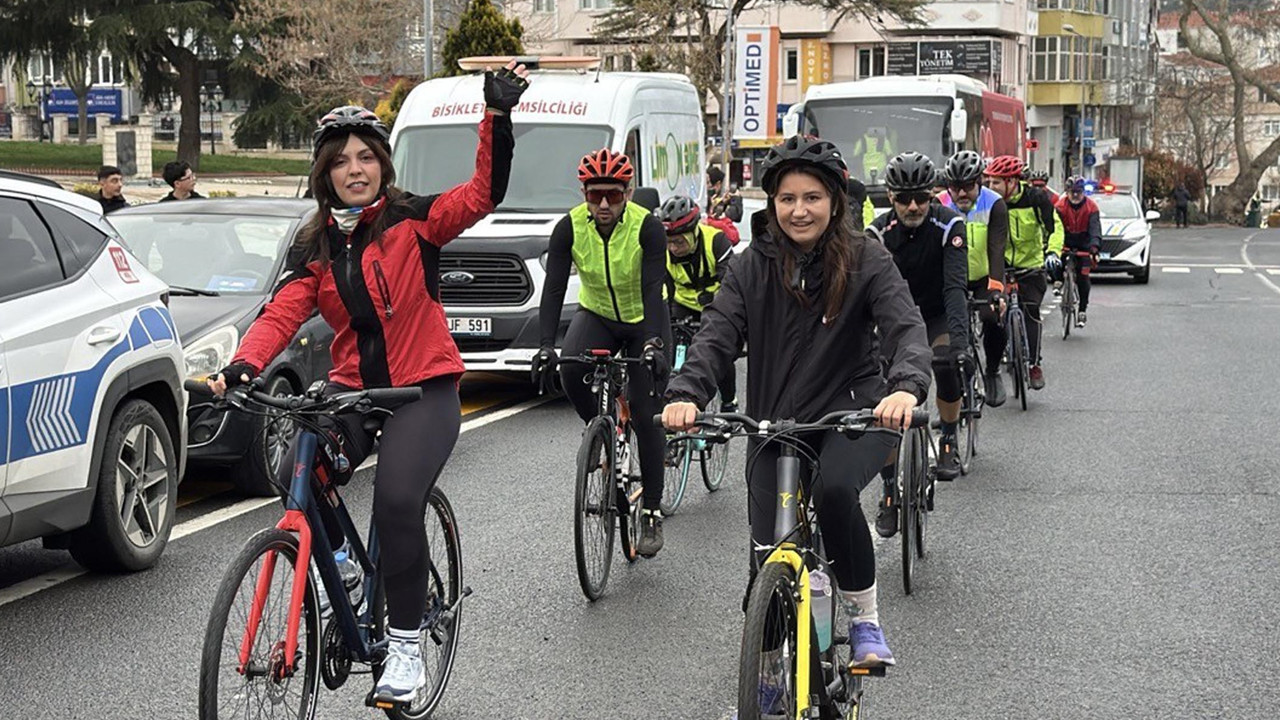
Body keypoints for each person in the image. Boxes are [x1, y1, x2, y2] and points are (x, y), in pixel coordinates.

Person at [205, 61, 530, 705]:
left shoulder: (415, 220)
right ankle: (348, 572)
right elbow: (281, 313)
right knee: (303, 471)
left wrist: (496, 116)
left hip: (424, 391)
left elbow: (482, 193)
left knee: (396, 499)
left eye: (365, 157)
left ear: (382, 162)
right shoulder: (315, 245)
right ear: (324, 175)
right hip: (353, 392)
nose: (355, 170)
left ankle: (406, 645)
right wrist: (243, 364)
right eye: (340, 162)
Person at [661, 135, 932, 669]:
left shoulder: (866, 259)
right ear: (771, 203)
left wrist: (905, 386)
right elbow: (716, 335)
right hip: (773, 421)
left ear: (834, 201)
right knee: (766, 564)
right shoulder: (748, 266)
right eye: (787, 199)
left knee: (834, 492)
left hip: (853, 412)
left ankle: (863, 617)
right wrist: (686, 393)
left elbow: (905, 326)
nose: (799, 210)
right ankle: (767, 677)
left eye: (811, 197)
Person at [532, 148, 672, 557]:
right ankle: (600, 426)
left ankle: (651, 512)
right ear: (584, 193)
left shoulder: (647, 228)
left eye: (613, 194)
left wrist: (651, 344)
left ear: (628, 192)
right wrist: (544, 346)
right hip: (598, 313)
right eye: (595, 196)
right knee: (571, 370)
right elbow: (555, 289)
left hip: (644, 316)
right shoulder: (569, 227)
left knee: (648, 416)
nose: (605, 204)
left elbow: (651, 288)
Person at [866, 152, 968, 541]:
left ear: (933, 196)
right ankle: (890, 491)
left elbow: (955, 289)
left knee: (945, 363)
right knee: (883, 399)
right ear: (890, 196)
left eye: (922, 198)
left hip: (937, 312)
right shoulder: (877, 233)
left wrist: (959, 344)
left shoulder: (949, 225)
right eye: (904, 198)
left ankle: (949, 438)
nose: (913, 206)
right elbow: (867, 298)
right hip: (895, 322)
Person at [984, 155, 1062, 391]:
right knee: (995, 316)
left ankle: (1034, 364)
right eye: (989, 182)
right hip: (1001, 266)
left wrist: (1053, 252)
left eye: (996, 183)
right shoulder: (990, 202)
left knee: (1031, 312)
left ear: (1012, 182)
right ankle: (997, 359)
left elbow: (1055, 227)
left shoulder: (1036, 199)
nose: (991, 187)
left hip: (1031, 266)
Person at [939, 150, 1010, 407]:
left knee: (992, 318)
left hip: (982, 276)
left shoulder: (995, 204)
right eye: (955, 188)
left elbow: (997, 248)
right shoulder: (939, 204)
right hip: (950, 278)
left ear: (979, 181)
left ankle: (992, 371)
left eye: (967, 187)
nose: (961, 194)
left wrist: (996, 289)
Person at [658, 194, 737, 410]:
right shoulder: (664, 253)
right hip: (682, 305)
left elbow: (730, 284)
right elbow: (664, 290)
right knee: (673, 355)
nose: (673, 248)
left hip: (716, 304)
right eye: (669, 242)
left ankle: (730, 402)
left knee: (721, 352)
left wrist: (714, 302)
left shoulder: (716, 241)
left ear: (694, 232)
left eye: (679, 241)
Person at [1054, 176, 1102, 328]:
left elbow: (1095, 229)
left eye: (1079, 192)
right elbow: (1055, 229)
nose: (1075, 196)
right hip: (1065, 240)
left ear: (1083, 193)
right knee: (1054, 261)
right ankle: (1058, 281)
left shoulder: (1092, 207)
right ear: (1067, 192)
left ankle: (1082, 310)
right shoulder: (1060, 206)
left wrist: (1094, 247)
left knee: (1083, 276)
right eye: (1072, 192)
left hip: (1084, 242)